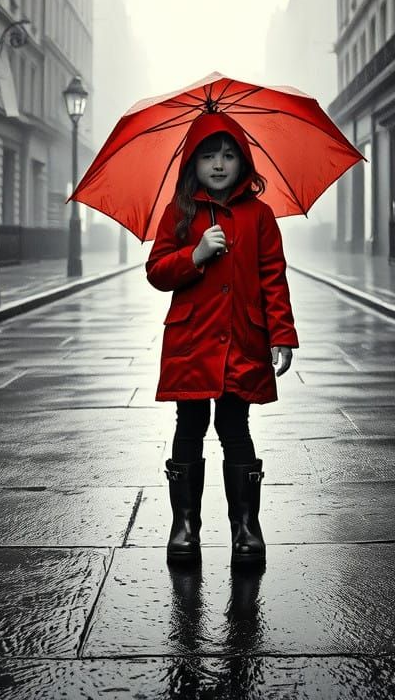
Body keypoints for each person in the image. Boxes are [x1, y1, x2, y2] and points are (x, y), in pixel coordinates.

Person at [146, 111, 298, 567]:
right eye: (209, 156)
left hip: (241, 340)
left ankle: (246, 528)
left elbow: (273, 278)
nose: (218, 164)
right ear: (192, 163)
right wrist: (195, 255)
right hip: (192, 341)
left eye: (229, 156)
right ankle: (184, 527)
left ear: (243, 162)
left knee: (235, 428)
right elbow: (157, 272)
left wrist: (282, 335)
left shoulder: (260, 215)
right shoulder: (179, 213)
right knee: (189, 426)